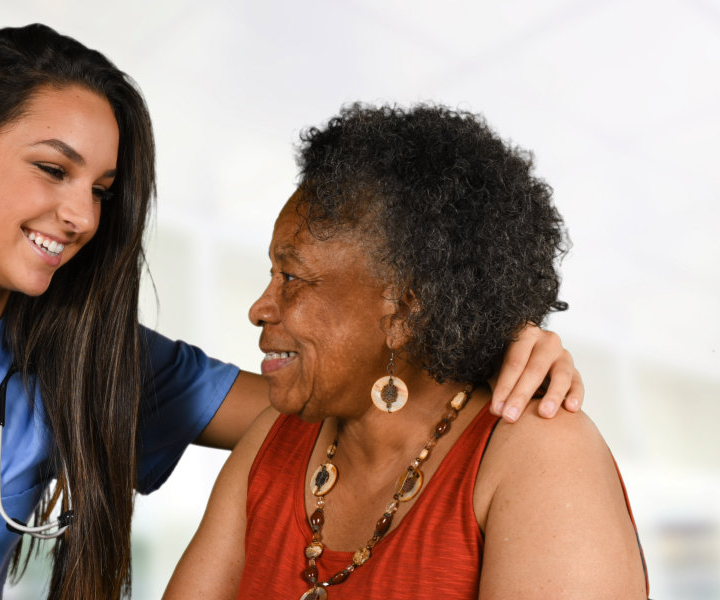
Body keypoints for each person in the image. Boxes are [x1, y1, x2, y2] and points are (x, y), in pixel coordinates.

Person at [0, 27, 584, 600]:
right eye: (52, 170)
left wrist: (494, 342)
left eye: (105, 187)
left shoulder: (84, 353)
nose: (81, 216)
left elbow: (351, 404)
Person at [163, 104, 645, 600]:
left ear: (403, 313)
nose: (259, 309)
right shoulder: (273, 439)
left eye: (291, 278)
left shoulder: (543, 454)